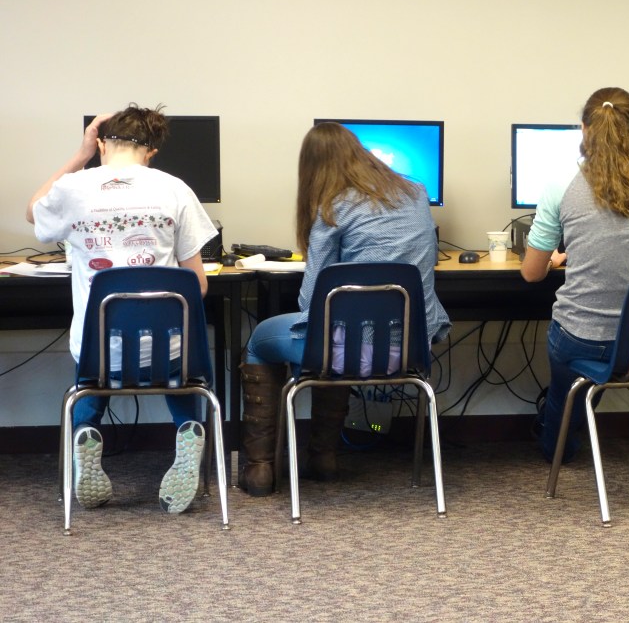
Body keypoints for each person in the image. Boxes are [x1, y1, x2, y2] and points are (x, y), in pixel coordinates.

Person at [239, 122, 450, 497]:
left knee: (260, 340)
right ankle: (324, 457)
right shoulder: (417, 194)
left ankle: (260, 468)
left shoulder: (332, 209)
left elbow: (310, 301)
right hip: (411, 351)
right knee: (339, 336)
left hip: (346, 352)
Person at [27, 104, 219, 513]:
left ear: (100, 144)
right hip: (167, 351)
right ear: (152, 151)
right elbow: (197, 285)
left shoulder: (73, 189)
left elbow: (32, 212)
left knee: (91, 370)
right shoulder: (175, 189)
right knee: (177, 367)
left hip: (100, 354)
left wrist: (78, 157)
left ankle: (85, 431)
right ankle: (188, 430)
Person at [521, 87, 629, 463]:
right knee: (608, 357)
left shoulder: (560, 184)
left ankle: (557, 447)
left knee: (566, 384)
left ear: (584, 130)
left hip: (581, 339)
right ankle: (574, 421)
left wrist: (559, 258)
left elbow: (531, 274)